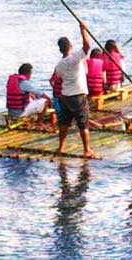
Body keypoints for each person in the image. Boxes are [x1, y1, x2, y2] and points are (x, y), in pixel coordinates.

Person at [53, 21, 97, 159]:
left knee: (64, 123)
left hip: (65, 97)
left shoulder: (59, 65)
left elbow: (58, 78)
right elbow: (87, 46)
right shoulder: (75, 58)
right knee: (83, 123)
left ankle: (61, 147)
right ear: (70, 47)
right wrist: (83, 29)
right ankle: (87, 150)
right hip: (78, 96)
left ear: (61, 50)